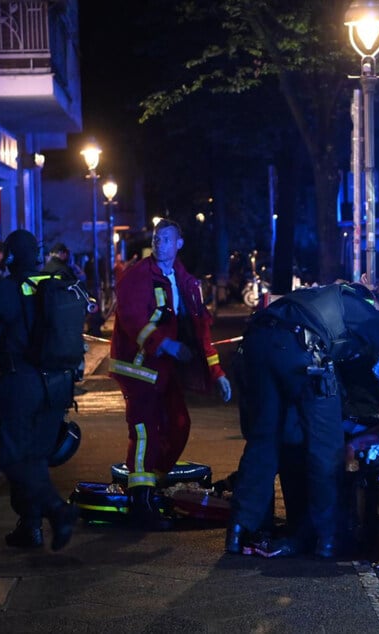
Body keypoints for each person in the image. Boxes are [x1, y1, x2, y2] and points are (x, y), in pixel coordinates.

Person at [226, 282, 379, 558]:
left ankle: (239, 530)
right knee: (326, 448)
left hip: (257, 344)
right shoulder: (360, 307)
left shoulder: (318, 297)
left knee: (264, 441)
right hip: (303, 353)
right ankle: (329, 539)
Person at [110, 218, 231, 529]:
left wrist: (217, 373)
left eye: (165, 238)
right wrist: (164, 344)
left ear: (179, 244)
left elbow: (201, 332)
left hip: (163, 370)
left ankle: (151, 482)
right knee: (144, 431)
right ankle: (140, 501)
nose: (158, 243)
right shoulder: (136, 277)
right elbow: (131, 318)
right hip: (137, 367)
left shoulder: (188, 283)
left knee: (179, 424)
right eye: (156, 237)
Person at [0, 230, 80, 551]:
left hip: (22, 382)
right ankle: (30, 527)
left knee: (15, 458)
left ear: (10, 257)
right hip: (58, 383)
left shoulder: (6, 288)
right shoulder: (53, 282)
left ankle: (58, 512)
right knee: (36, 458)